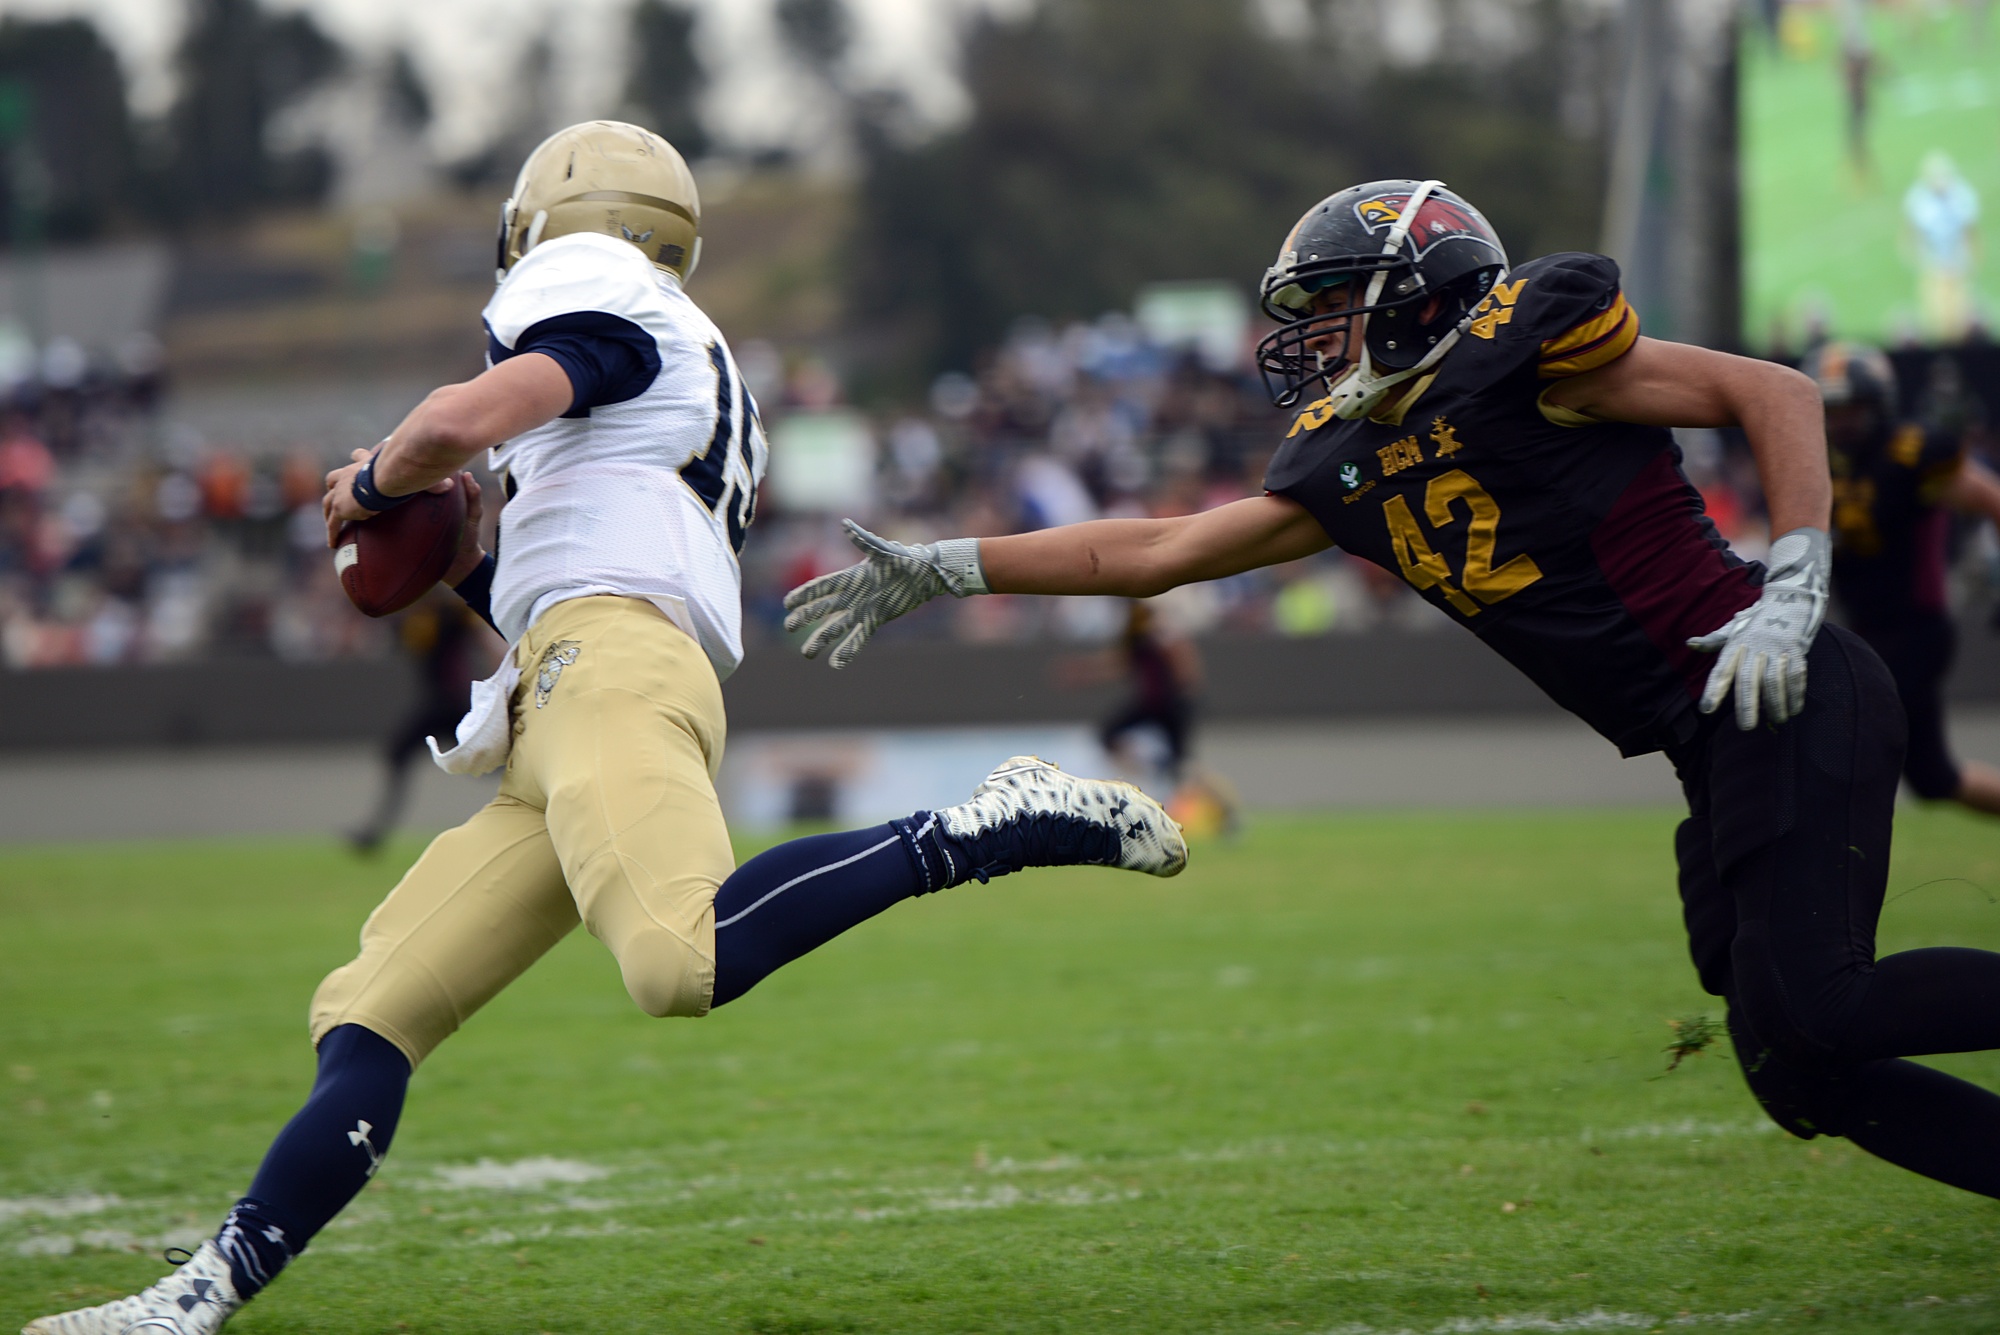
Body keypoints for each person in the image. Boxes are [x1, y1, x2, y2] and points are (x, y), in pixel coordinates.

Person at [23, 122, 1185, 1335]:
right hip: (569, 687)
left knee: (677, 960)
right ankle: (194, 1299)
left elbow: (474, 416)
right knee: (371, 1009)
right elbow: (576, 568)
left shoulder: (588, 281)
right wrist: (469, 564)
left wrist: (376, 479)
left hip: (609, 675)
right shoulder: (685, 360)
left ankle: (988, 824)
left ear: (554, 221)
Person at [788, 178, 2000, 1201]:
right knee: (1796, 1070)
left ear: (1415, 296)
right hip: (1710, 737)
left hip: (1778, 682)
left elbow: (1772, 393)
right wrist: (952, 566)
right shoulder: (1348, 460)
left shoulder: (1535, 363)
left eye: (1326, 308)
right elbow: (1155, 550)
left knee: (1825, 1010)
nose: (1306, 339)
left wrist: (1789, 584)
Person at [1810, 340, 2000, 815]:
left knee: (1849, 746)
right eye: (1832, 410)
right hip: (1865, 633)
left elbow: (1993, 499)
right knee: (1934, 779)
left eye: (1853, 409)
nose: (1842, 422)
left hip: (1917, 630)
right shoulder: (1822, 460)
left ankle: (1830, 871)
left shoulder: (1912, 451)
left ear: (1880, 403)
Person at [347, 589, 490, 854]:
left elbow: (478, 635)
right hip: (445, 704)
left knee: (489, 762)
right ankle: (374, 831)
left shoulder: (447, 614)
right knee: (489, 763)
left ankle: (375, 832)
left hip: (447, 704)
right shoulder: (424, 617)